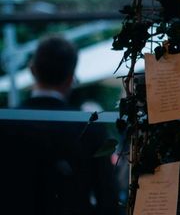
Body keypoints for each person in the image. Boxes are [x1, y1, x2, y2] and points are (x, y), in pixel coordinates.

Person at [0, 35, 120, 215]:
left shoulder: (6, 123)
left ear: (32, 70)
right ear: (71, 78)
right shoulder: (88, 127)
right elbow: (107, 198)